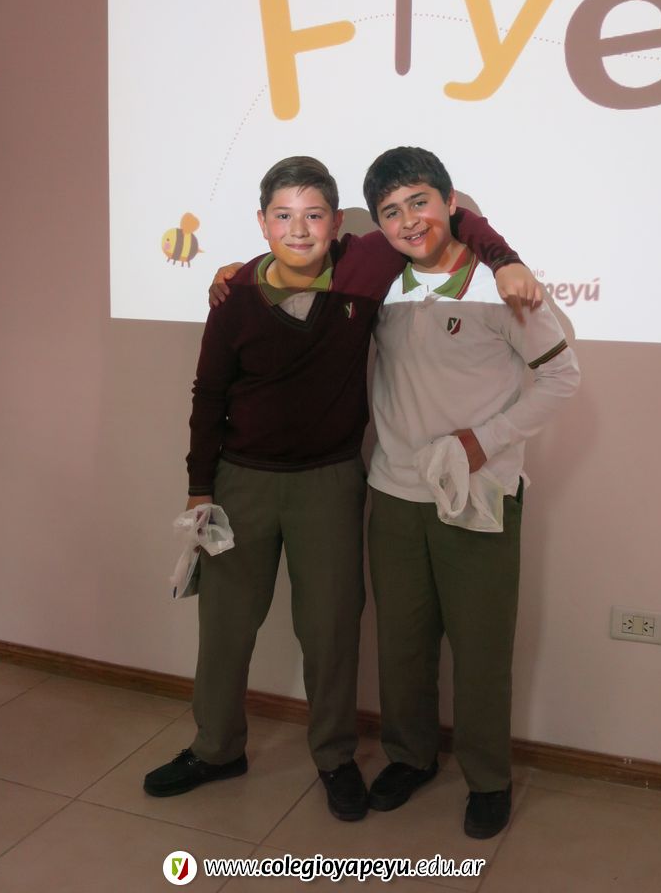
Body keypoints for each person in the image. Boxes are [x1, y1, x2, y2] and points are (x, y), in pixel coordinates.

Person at [144, 155, 540, 822]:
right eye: (283, 216)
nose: (299, 230)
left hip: (329, 481)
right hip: (240, 483)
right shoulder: (235, 296)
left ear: (337, 225)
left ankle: (334, 758)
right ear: (262, 223)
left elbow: (457, 216)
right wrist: (198, 488)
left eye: (314, 215)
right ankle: (216, 748)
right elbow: (208, 395)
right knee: (226, 626)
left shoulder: (366, 266)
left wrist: (505, 259)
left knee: (330, 632)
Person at [362, 147, 580, 838]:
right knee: (402, 644)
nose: (408, 220)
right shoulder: (379, 284)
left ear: (450, 203)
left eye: (419, 202)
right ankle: (411, 756)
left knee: (481, 650)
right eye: (390, 211)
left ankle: (488, 778)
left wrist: (487, 441)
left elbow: (562, 377)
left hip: (480, 494)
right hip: (395, 493)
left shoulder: (500, 284)